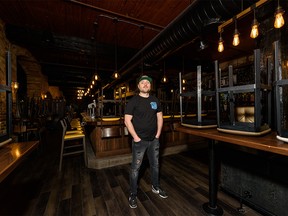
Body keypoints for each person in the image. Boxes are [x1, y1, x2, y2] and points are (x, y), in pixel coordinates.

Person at [124, 75, 168, 209]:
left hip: (154, 140)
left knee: (155, 165)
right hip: (140, 141)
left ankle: (155, 187)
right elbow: (127, 120)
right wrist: (136, 138)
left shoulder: (155, 100)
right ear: (138, 86)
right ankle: (132, 193)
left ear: (150, 86)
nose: (145, 84)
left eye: (147, 83)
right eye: (142, 83)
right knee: (135, 169)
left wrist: (158, 134)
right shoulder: (133, 101)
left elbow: (160, 118)